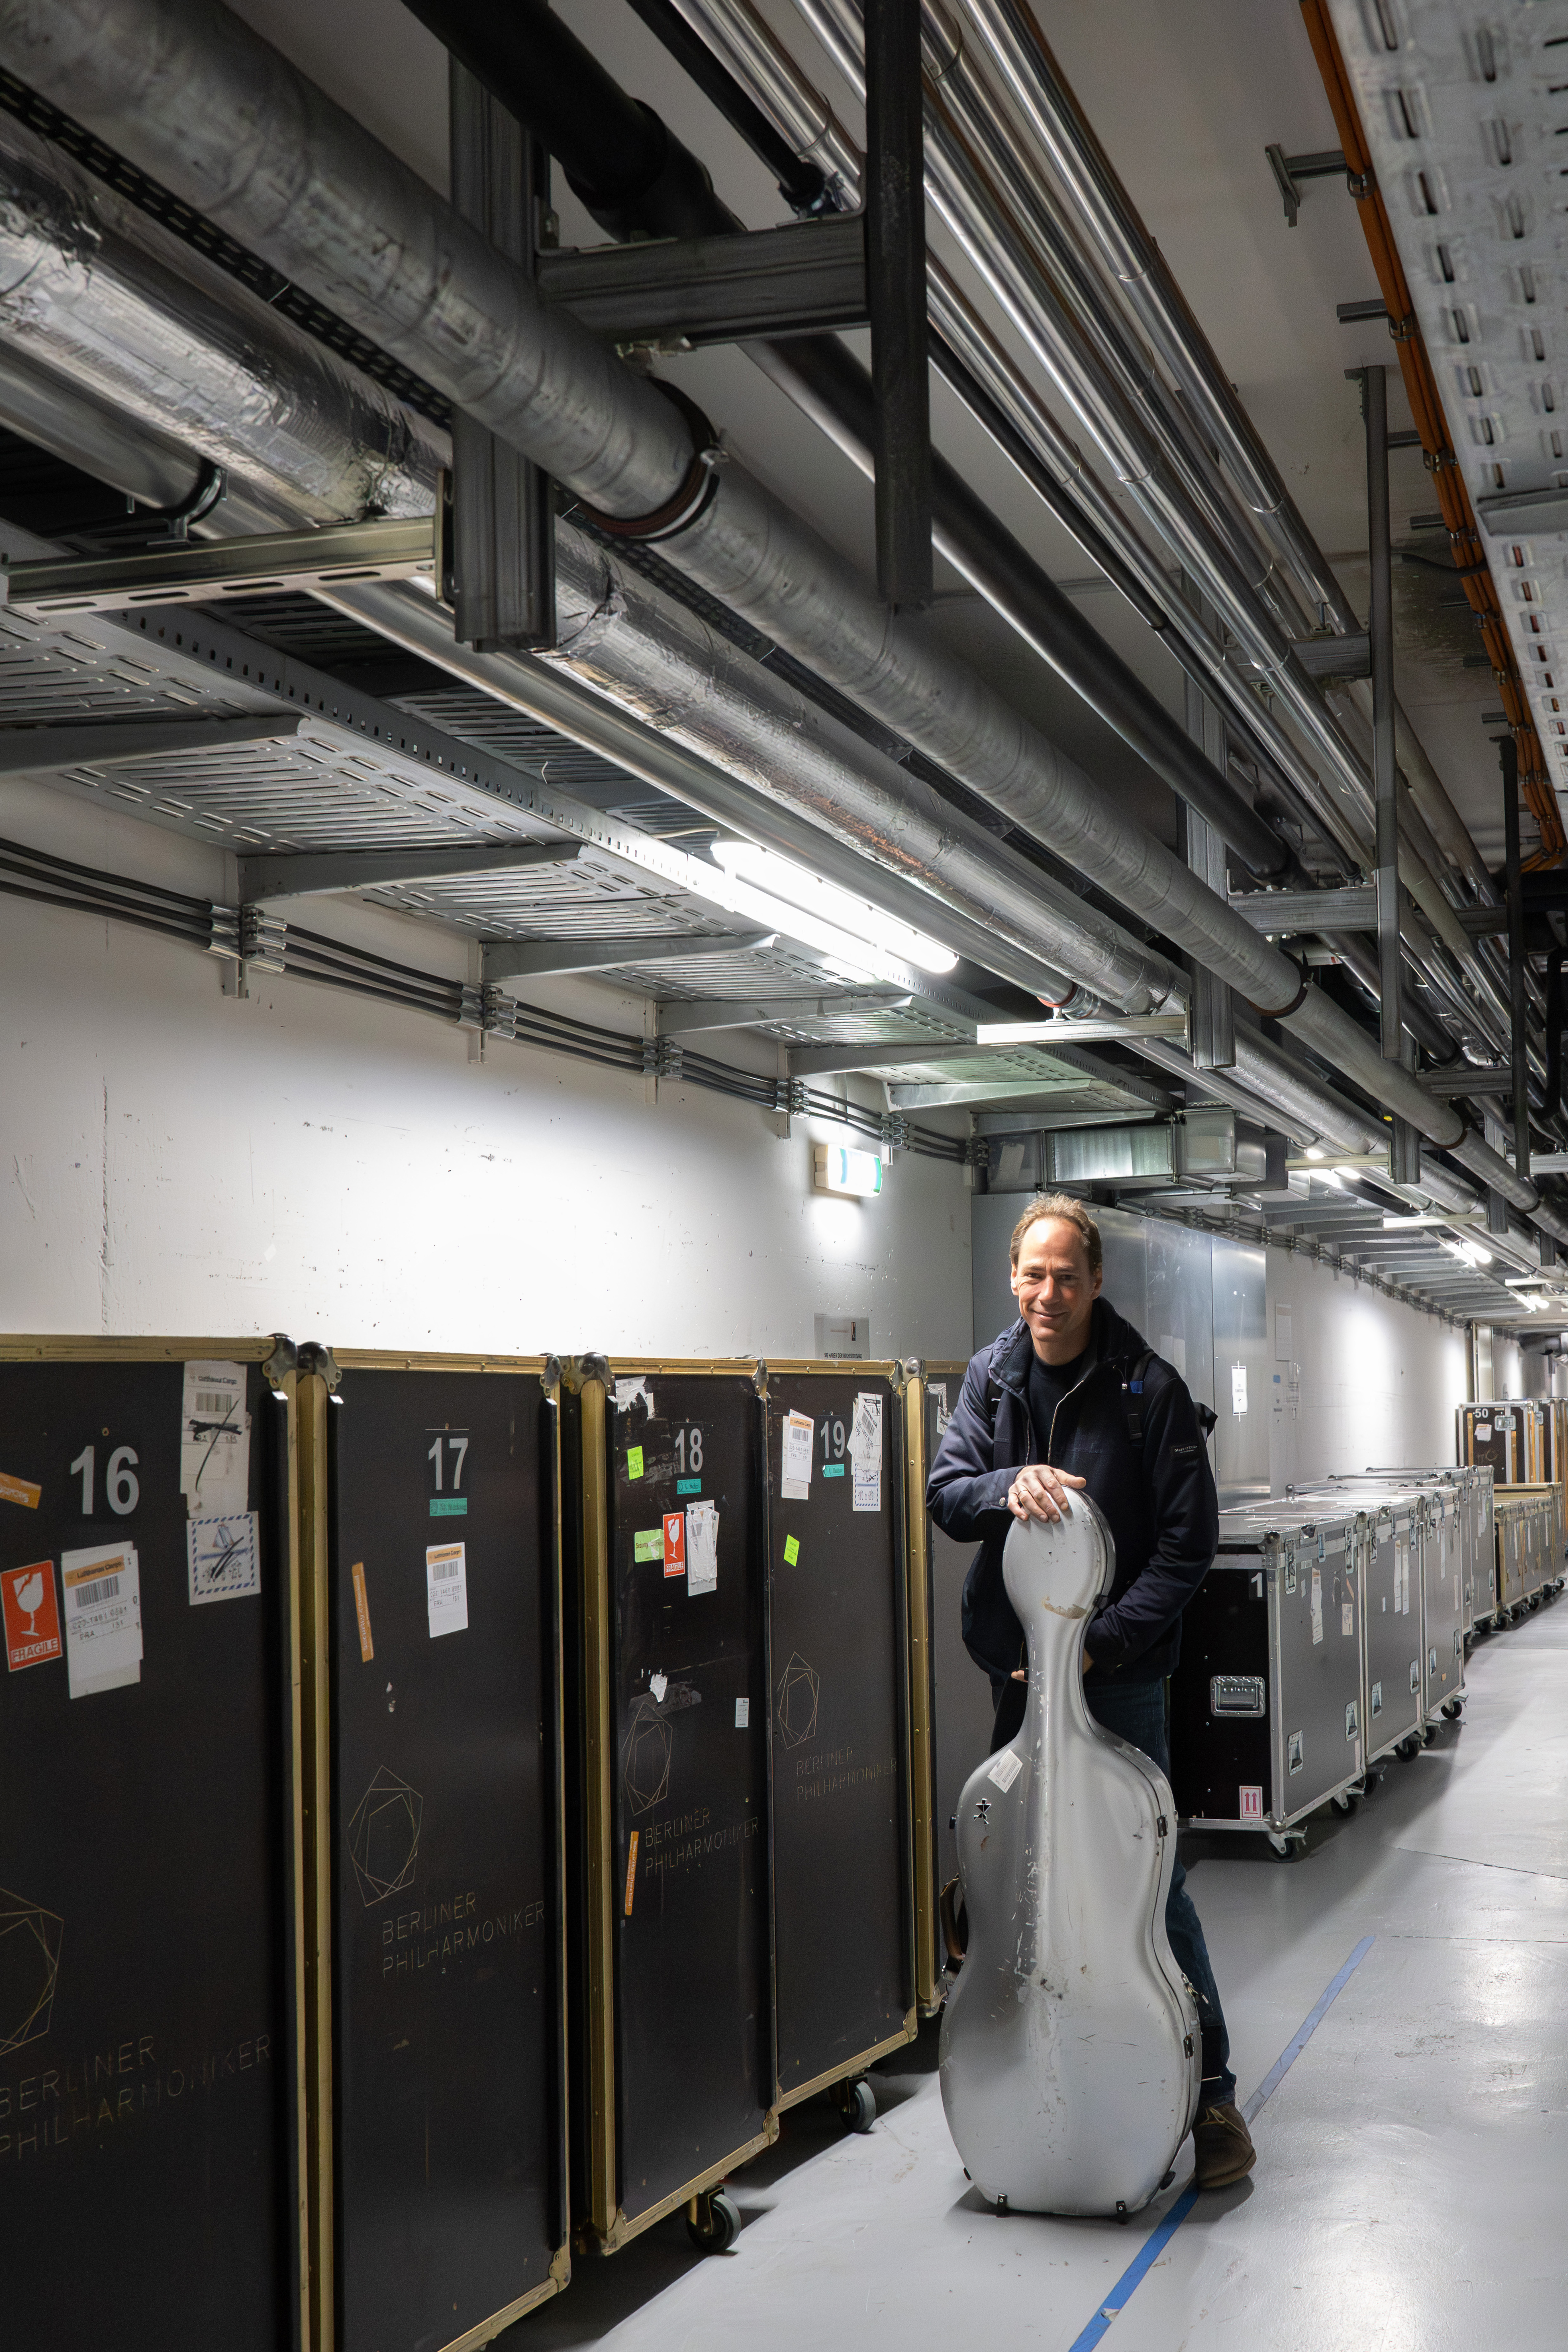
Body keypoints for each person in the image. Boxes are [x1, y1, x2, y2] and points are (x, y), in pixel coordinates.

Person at [927, 1191, 1256, 2191]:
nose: (1048, 1293)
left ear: (1096, 1280)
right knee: (1020, 1869)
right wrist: (1008, 1483)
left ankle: (1211, 2096)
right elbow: (947, 1494)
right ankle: (1041, 2074)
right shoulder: (992, 1377)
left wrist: (1096, 1647)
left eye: (1066, 1276)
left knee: (1141, 1879)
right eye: (1033, 1274)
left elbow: (1187, 1545)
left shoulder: (1148, 1389)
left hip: (1120, 1680)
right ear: (1013, 1277)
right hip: (1018, 1673)